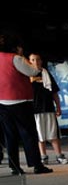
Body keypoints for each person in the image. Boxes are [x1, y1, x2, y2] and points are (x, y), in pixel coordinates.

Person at [0, 30, 53, 175]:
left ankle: (15, 167)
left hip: (2, 103)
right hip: (20, 101)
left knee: (10, 136)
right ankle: (36, 165)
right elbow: (33, 72)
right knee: (28, 134)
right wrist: (27, 60)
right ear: (15, 46)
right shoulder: (16, 58)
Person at [28, 52, 68, 165]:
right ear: (29, 61)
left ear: (41, 61)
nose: (36, 62)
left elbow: (54, 93)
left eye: (38, 59)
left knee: (53, 135)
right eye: (33, 60)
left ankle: (59, 156)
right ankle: (43, 157)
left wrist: (58, 107)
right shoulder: (26, 76)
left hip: (48, 108)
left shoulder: (47, 74)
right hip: (35, 111)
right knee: (39, 136)